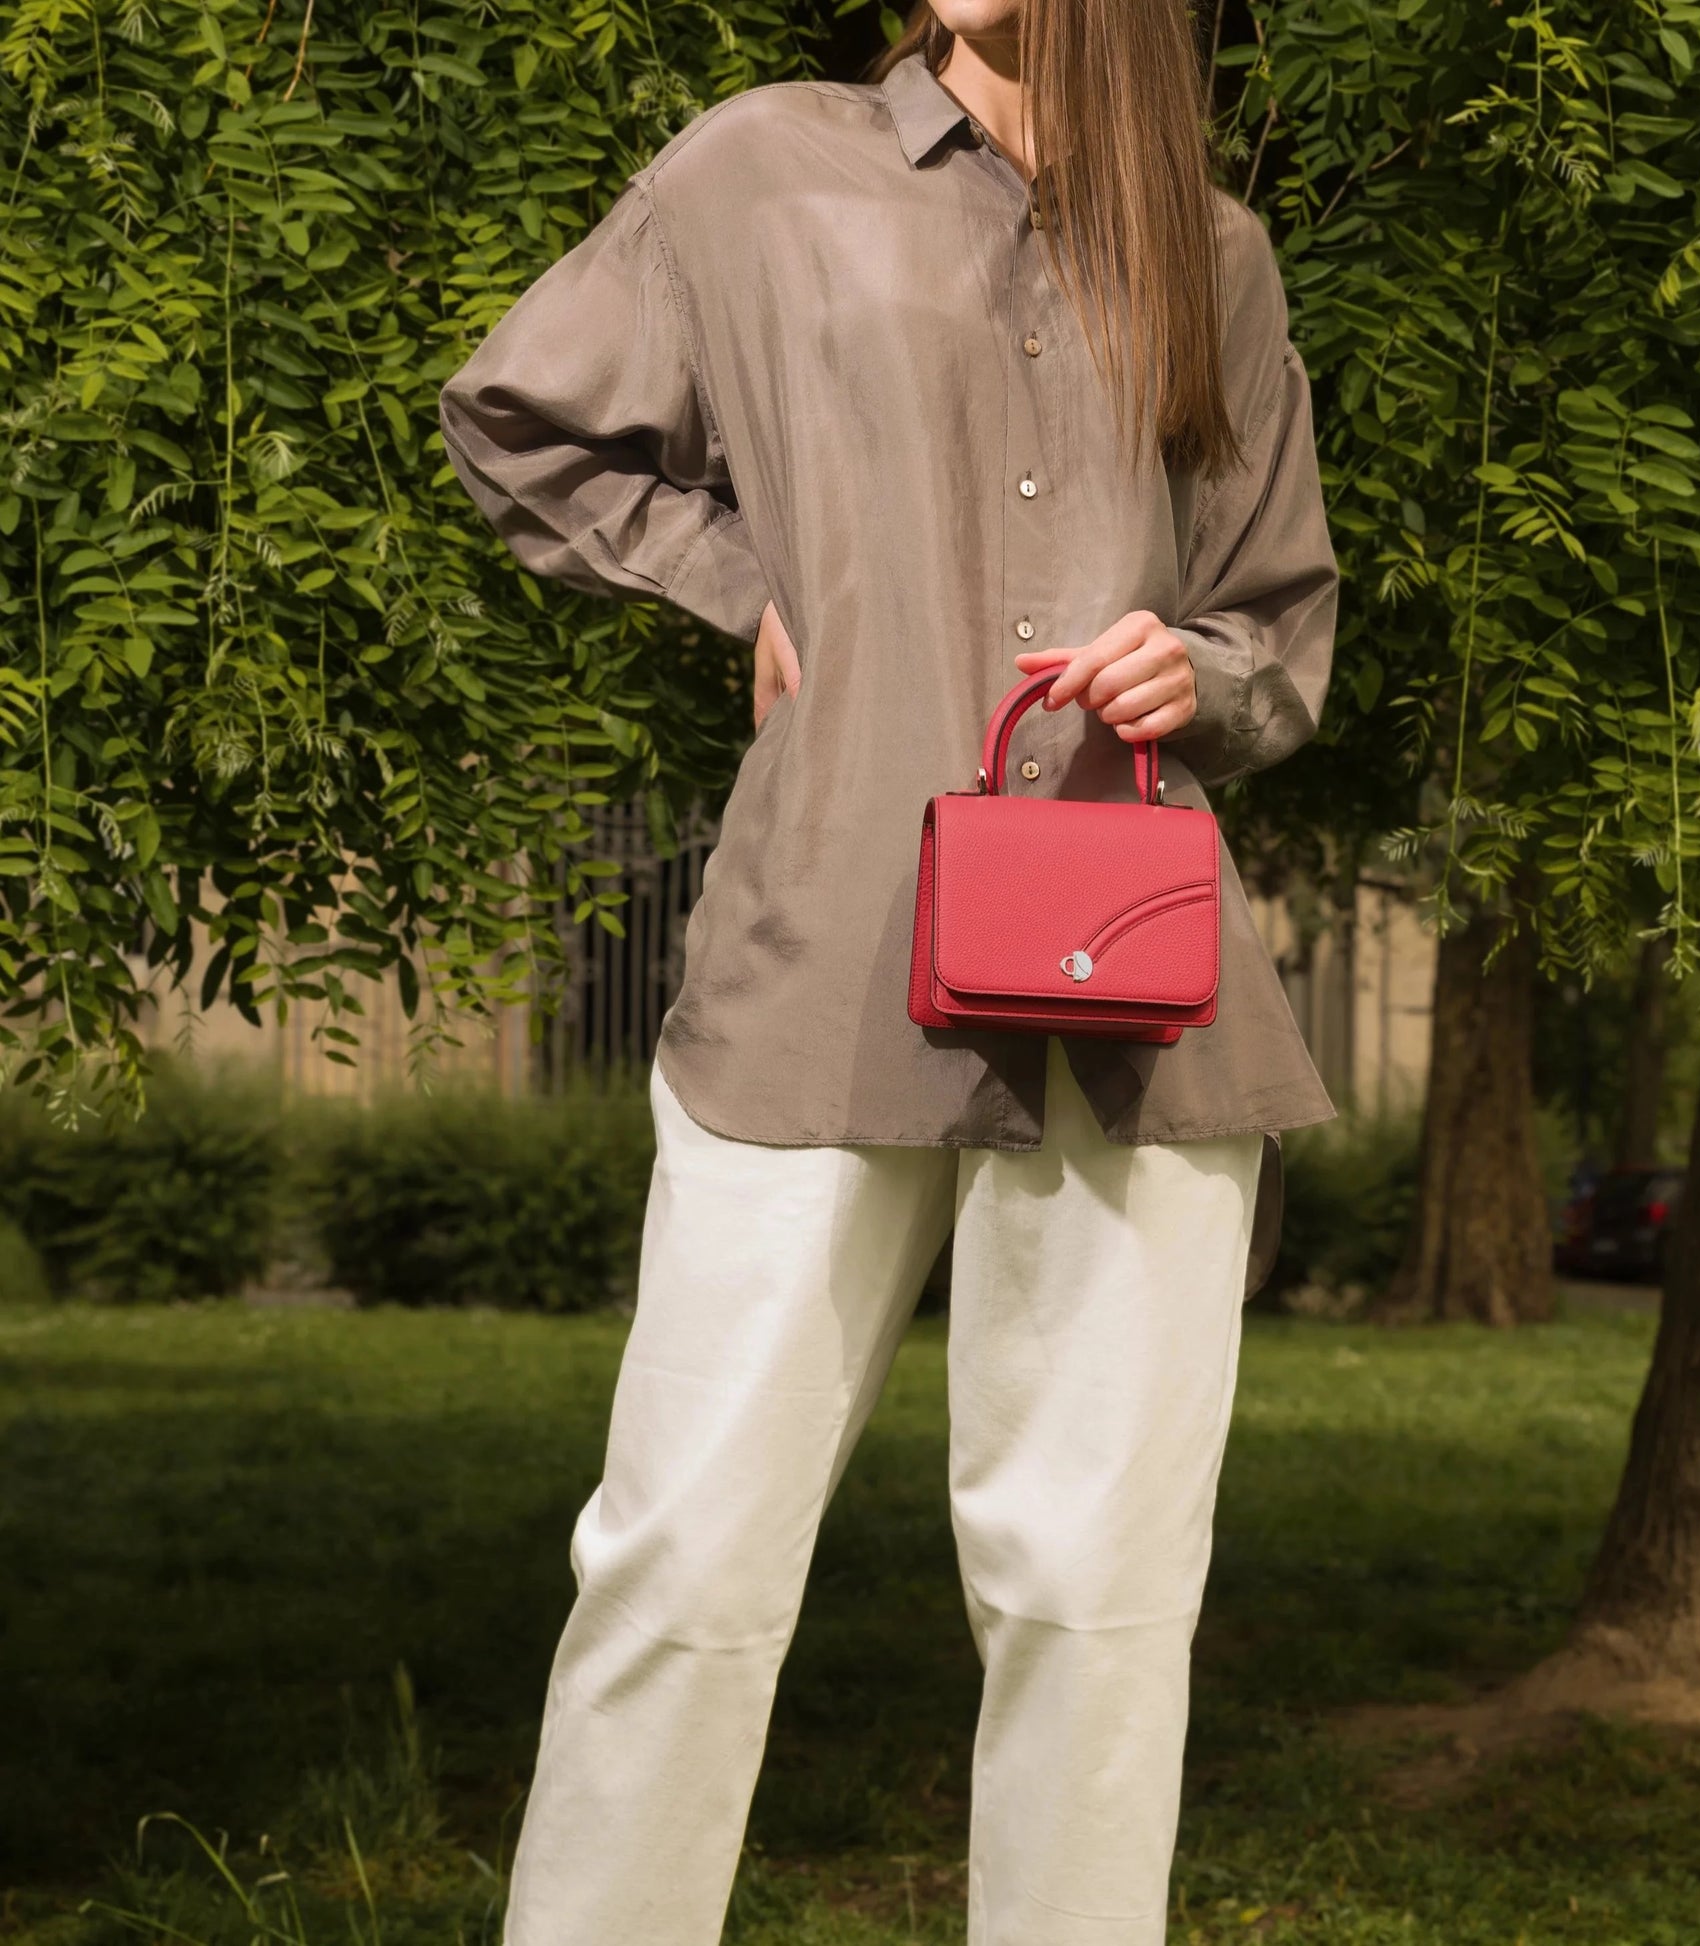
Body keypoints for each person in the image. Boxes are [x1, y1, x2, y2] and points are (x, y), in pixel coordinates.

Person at [438, 1, 1338, 1938]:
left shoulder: (1214, 253)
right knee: (682, 1561)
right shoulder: (759, 172)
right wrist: (739, 583)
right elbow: (521, 418)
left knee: (1096, 1599)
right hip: (820, 963)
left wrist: (1197, 668)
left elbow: (1275, 625)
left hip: (1130, 995)